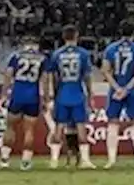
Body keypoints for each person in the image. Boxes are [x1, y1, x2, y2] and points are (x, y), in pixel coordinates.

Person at [43, 24, 94, 170]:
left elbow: (52, 76)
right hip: (77, 93)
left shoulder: (57, 54)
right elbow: (87, 76)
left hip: (62, 94)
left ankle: (54, 160)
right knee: (81, 127)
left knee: (59, 128)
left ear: (64, 37)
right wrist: (90, 94)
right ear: (77, 36)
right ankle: (85, 160)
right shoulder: (83, 54)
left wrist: (52, 94)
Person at [102, 21, 134, 169]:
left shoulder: (110, 49)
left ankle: (111, 159)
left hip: (115, 90)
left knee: (113, 123)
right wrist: (127, 89)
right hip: (131, 90)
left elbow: (105, 71)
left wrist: (117, 88)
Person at [2, 33, 46, 170]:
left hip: (17, 95)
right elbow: (44, 80)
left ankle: (4, 159)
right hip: (33, 96)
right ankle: (25, 161)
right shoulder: (43, 58)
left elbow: (8, 75)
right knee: (29, 130)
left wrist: (4, 94)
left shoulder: (16, 56)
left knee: (10, 127)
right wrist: (44, 98)